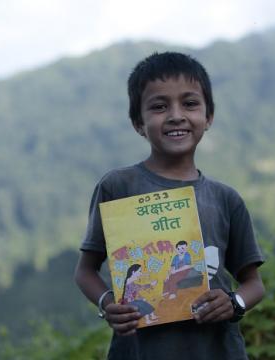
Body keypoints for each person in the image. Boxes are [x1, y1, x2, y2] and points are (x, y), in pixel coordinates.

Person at [75, 52, 265, 360]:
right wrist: (108, 303)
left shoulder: (225, 198)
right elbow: (85, 271)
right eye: (159, 106)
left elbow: (253, 283)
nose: (176, 115)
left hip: (217, 350)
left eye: (190, 104)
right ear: (139, 122)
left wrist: (234, 303)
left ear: (209, 116)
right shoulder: (118, 187)